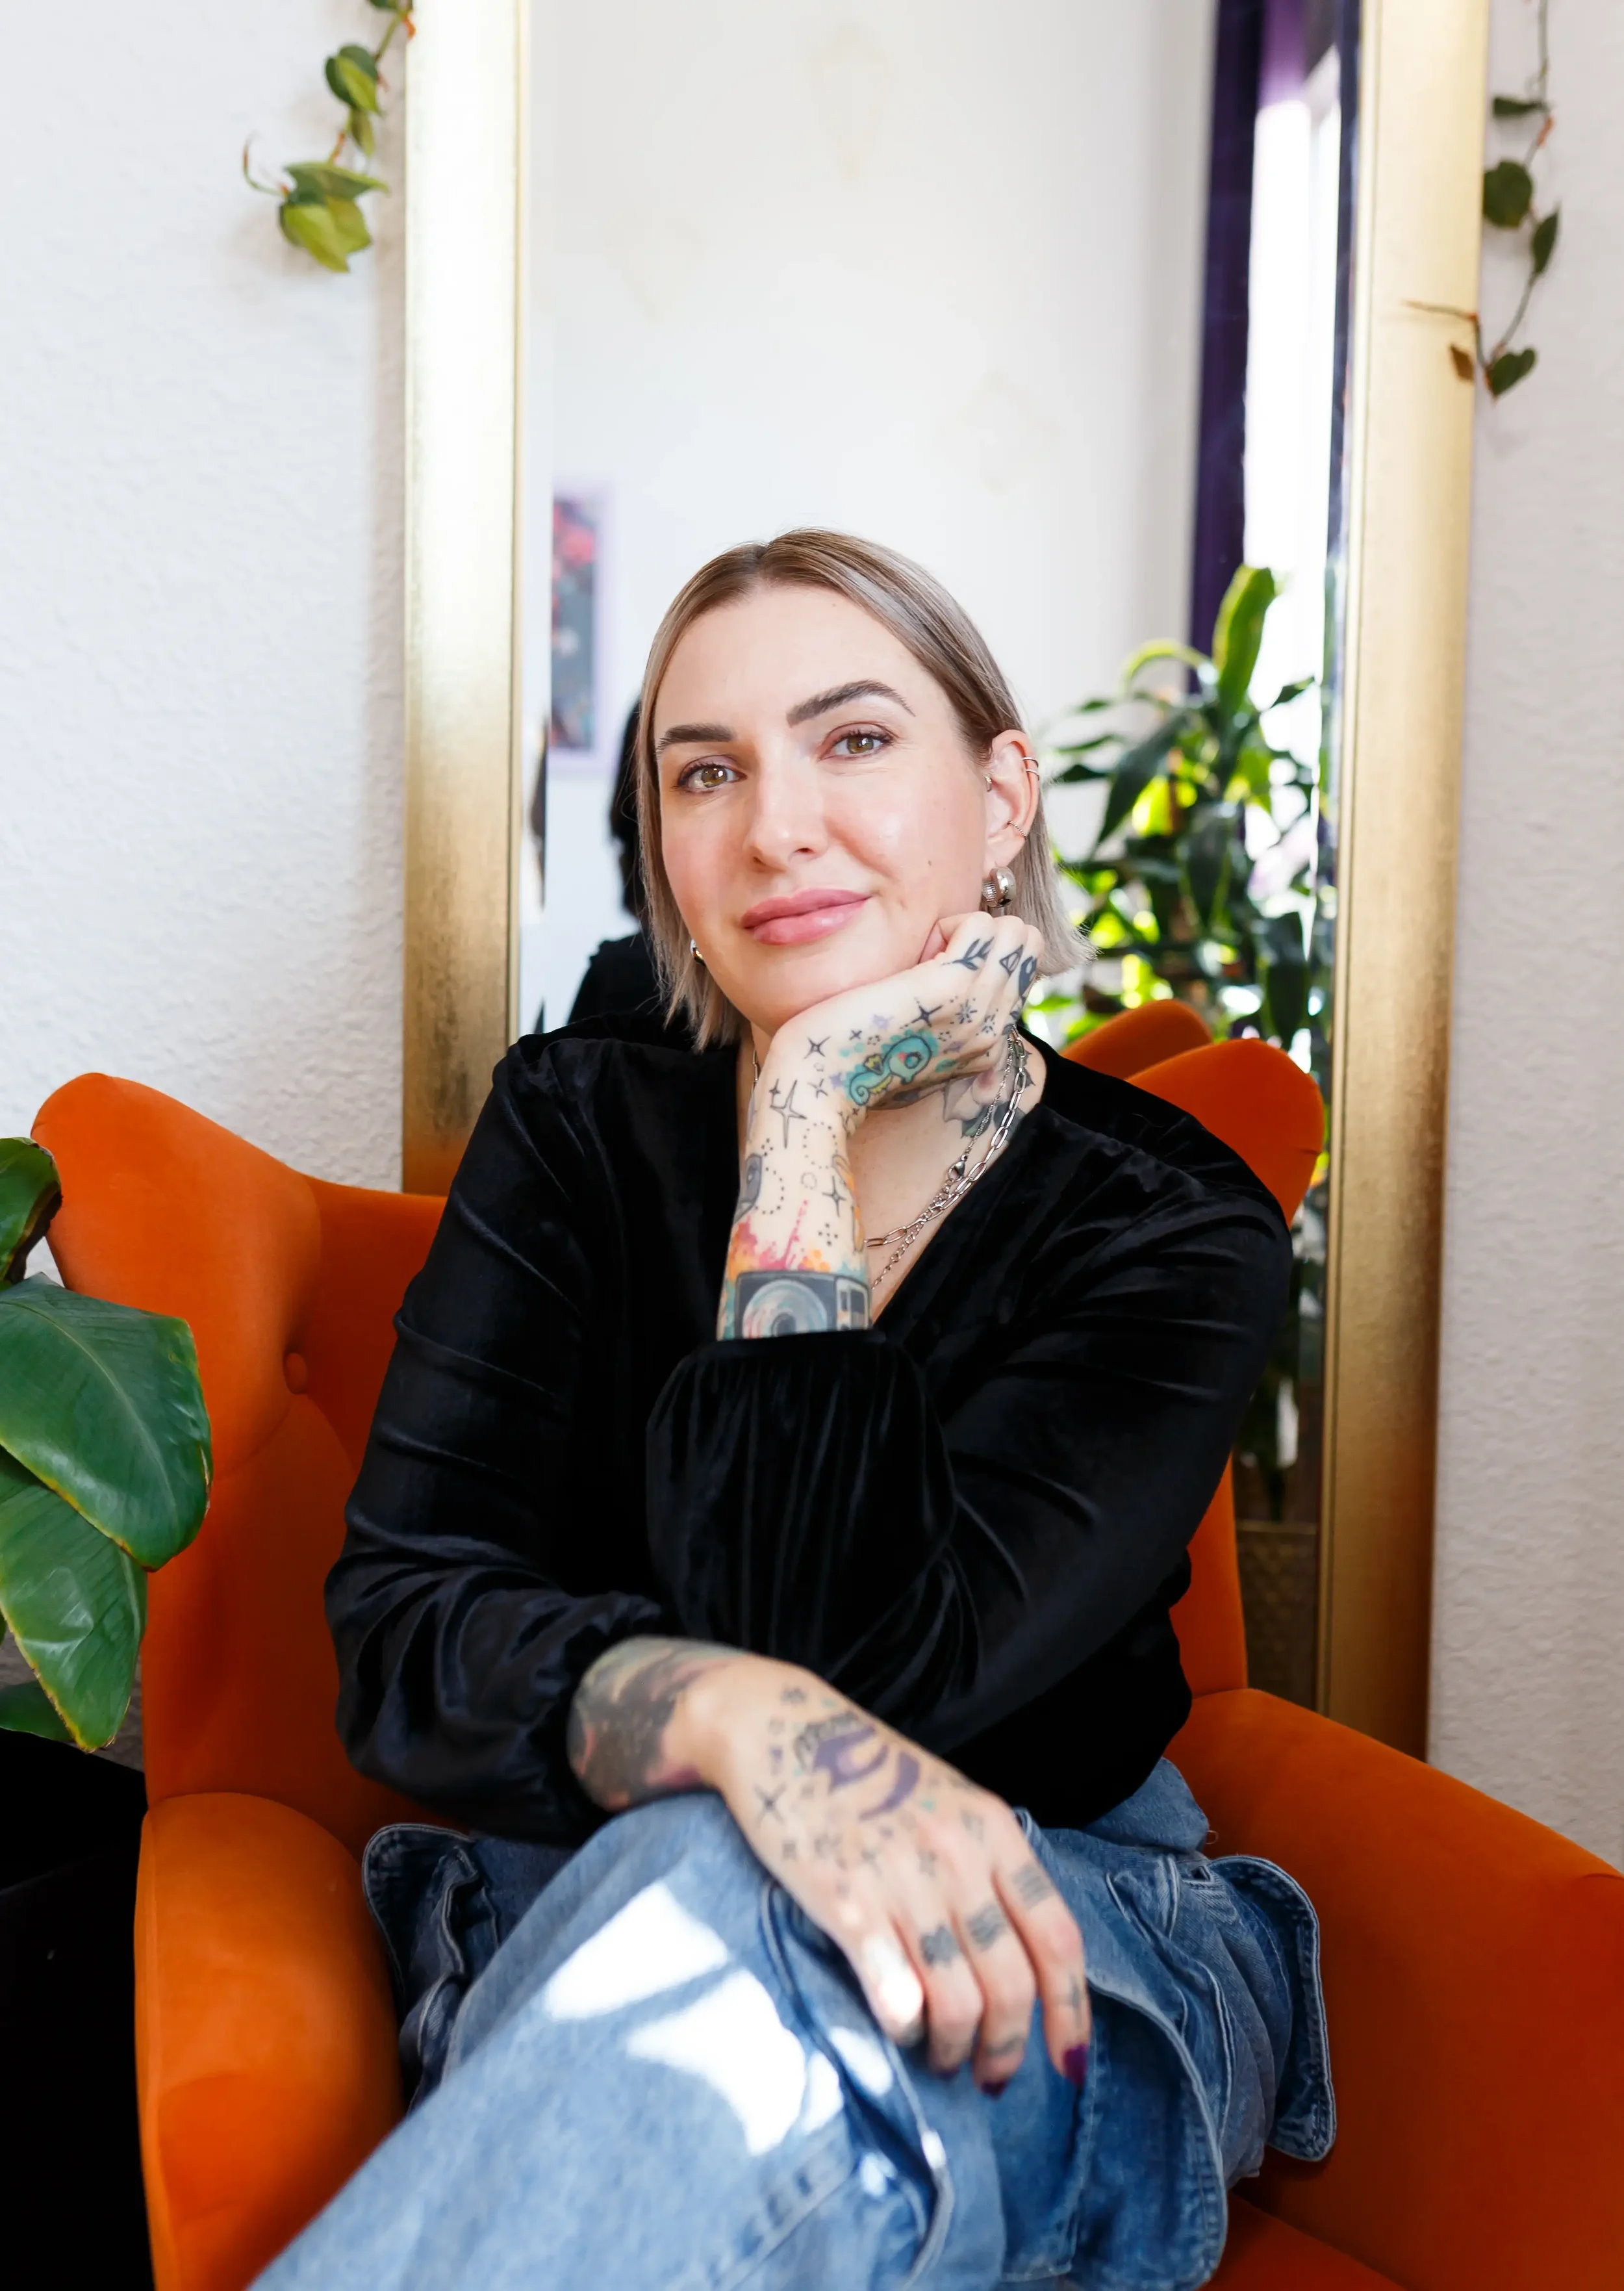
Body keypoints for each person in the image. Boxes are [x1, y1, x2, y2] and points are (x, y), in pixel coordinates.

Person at [264, 531, 1333, 2291]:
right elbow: (402, 1638)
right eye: (706, 770)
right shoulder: (572, 1136)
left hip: (1041, 1925)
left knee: (723, 1964)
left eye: (849, 740)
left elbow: (883, 1673)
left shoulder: (1169, 1227)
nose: (771, 825)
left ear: (999, 797)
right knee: (699, 1878)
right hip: (599, 1898)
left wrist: (809, 1109)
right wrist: (731, 1723)